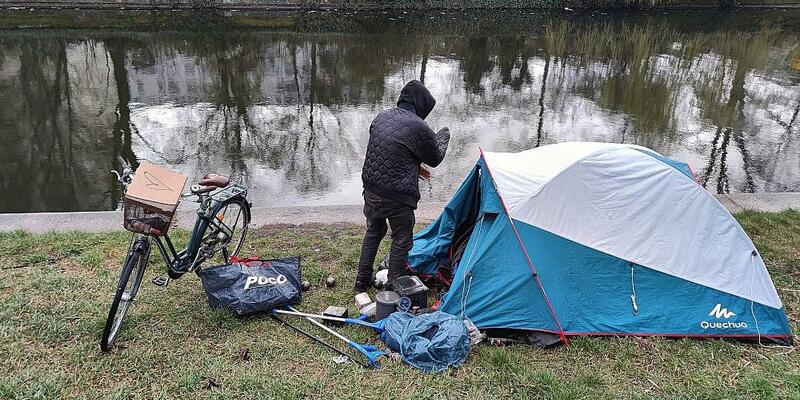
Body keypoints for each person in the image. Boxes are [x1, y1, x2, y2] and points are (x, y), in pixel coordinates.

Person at [354, 80, 451, 294]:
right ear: (421, 105)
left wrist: (413, 166)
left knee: (374, 231)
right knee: (402, 238)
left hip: (371, 187)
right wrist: (443, 135)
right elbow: (435, 158)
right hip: (397, 194)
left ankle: (361, 282)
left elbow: (391, 149)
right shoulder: (419, 126)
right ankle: (392, 288)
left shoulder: (382, 116)